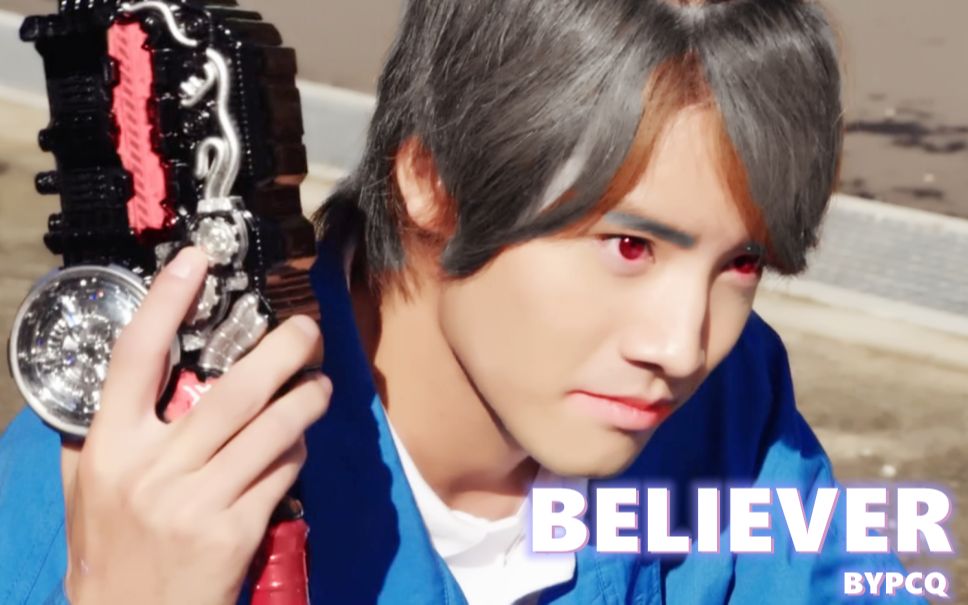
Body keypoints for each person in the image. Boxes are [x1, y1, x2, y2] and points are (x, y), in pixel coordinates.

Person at [0, 0, 925, 603]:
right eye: (629, 246)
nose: (684, 346)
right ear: (432, 183)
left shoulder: (733, 402)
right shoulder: (139, 480)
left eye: (743, 261)